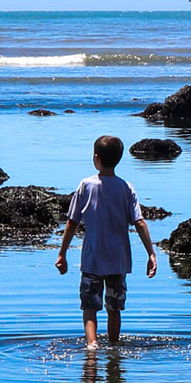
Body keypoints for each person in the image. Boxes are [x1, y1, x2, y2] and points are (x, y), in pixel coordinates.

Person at [56, 135, 158, 349]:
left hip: (93, 259)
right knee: (114, 307)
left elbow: (71, 223)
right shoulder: (126, 187)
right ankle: (113, 345)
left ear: (96, 158)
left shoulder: (85, 186)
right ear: (119, 158)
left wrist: (62, 253)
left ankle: (92, 344)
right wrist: (151, 253)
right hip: (118, 260)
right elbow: (139, 222)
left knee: (90, 306)